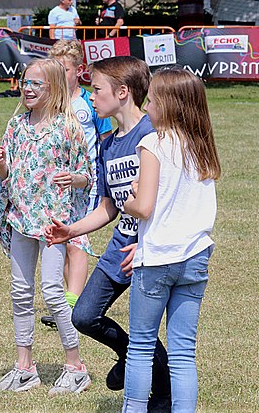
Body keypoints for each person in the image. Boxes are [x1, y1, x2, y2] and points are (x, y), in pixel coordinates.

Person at [45, 56, 172, 411]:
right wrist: (70, 230)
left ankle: (163, 395)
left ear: (122, 92)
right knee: (83, 315)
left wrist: (149, 247)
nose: (91, 96)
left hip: (152, 249)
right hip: (121, 246)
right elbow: (107, 208)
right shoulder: (105, 143)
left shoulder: (153, 135)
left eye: (97, 89)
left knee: (146, 329)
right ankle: (128, 354)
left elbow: (164, 202)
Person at [0, 58, 93, 395]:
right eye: (25, 82)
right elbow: (6, 178)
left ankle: (75, 366)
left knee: (51, 290)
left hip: (53, 223)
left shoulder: (68, 127)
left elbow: (87, 176)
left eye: (37, 84)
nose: (28, 89)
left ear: (53, 88)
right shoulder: (16, 125)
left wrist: (74, 178)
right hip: (21, 218)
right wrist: (3, 167)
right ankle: (25, 366)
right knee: (20, 292)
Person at [121, 67, 220, 413]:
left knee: (141, 347)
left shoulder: (152, 143)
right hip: (195, 256)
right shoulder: (201, 144)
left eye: (151, 100)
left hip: (159, 258)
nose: (146, 106)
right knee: (182, 352)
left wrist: (128, 199)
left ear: (169, 105)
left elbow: (144, 207)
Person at [41, 40, 113, 329]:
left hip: (87, 182)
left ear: (79, 70)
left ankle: (70, 305)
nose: (59, 74)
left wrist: (106, 173)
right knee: (61, 236)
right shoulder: (50, 103)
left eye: (65, 69)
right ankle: (69, 300)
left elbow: (106, 139)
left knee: (77, 240)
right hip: (56, 184)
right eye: (54, 69)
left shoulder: (89, 103)